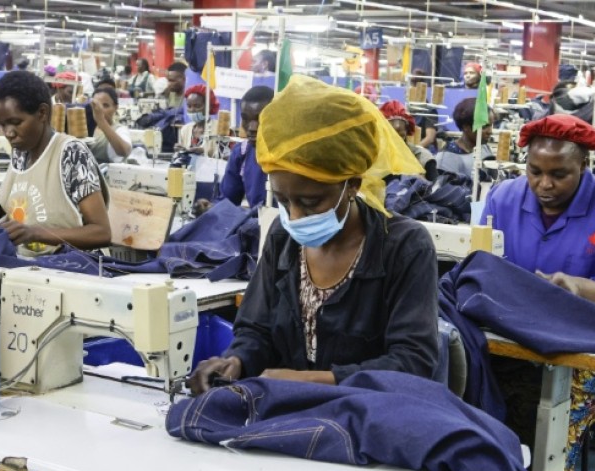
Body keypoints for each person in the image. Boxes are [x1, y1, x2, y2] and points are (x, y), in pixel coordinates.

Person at [188, 75, 439, 394]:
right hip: (284, 417)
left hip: (366, 425)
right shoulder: (283, 236)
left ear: (352, 185)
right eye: (283, 200)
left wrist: (315, 381)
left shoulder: (404, 246)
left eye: (310, 202)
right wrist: (236, 361)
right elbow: (256, 330)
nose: (294, 216)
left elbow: (413, 363)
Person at [482, 114, 595, 471]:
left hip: (589, 347)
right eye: (534, 171)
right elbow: (478, 263)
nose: (544, 184)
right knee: (465, 392)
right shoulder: (503, 198)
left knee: (541, 425)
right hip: (511, 337)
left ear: (584, 166)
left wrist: (579, 289)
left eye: (559, 174)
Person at [0, 70, 110, 256]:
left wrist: (35, 233)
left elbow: (102, 232)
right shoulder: (20, 153)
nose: (8, 132)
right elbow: (25, 210)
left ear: (42, 113)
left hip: (71, 270)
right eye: (2, 124)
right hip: (28, 268)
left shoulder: (71, 154)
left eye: (15, 122)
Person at [218, 85, 274, 207]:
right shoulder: (241, 154)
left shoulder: (290, 156)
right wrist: (212, 209)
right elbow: (227, 202)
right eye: (245, 119)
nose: (252, 128)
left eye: (260, 119)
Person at [435, 97, 493, 180]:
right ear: (466, 127)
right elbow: (448, 191)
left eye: (491, 125)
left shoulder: (484, 148)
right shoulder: (447, 158)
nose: (490, 131)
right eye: (484, 127)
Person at [379, 100, 437, 181]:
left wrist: (420, 181)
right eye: (391, 135)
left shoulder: (423, 158)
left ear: (406, 132)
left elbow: (435, 189)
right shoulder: (374, 157)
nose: (396, 140)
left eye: (401, 135)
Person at [88, 86, 133, 164]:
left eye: (105, 105)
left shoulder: (119, 130)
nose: (100, 109)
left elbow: (125, 151)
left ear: (115, 107)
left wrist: (101, 121)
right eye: (96, 106)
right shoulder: (87, 127)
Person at [176, 84, 219, 154]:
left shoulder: (218, 128)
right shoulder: (185, 129)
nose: (192, 110)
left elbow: (224, 157)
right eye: (189, 106)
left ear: (209, 107)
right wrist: (180, 150)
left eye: (197, 106)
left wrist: (203, 152)